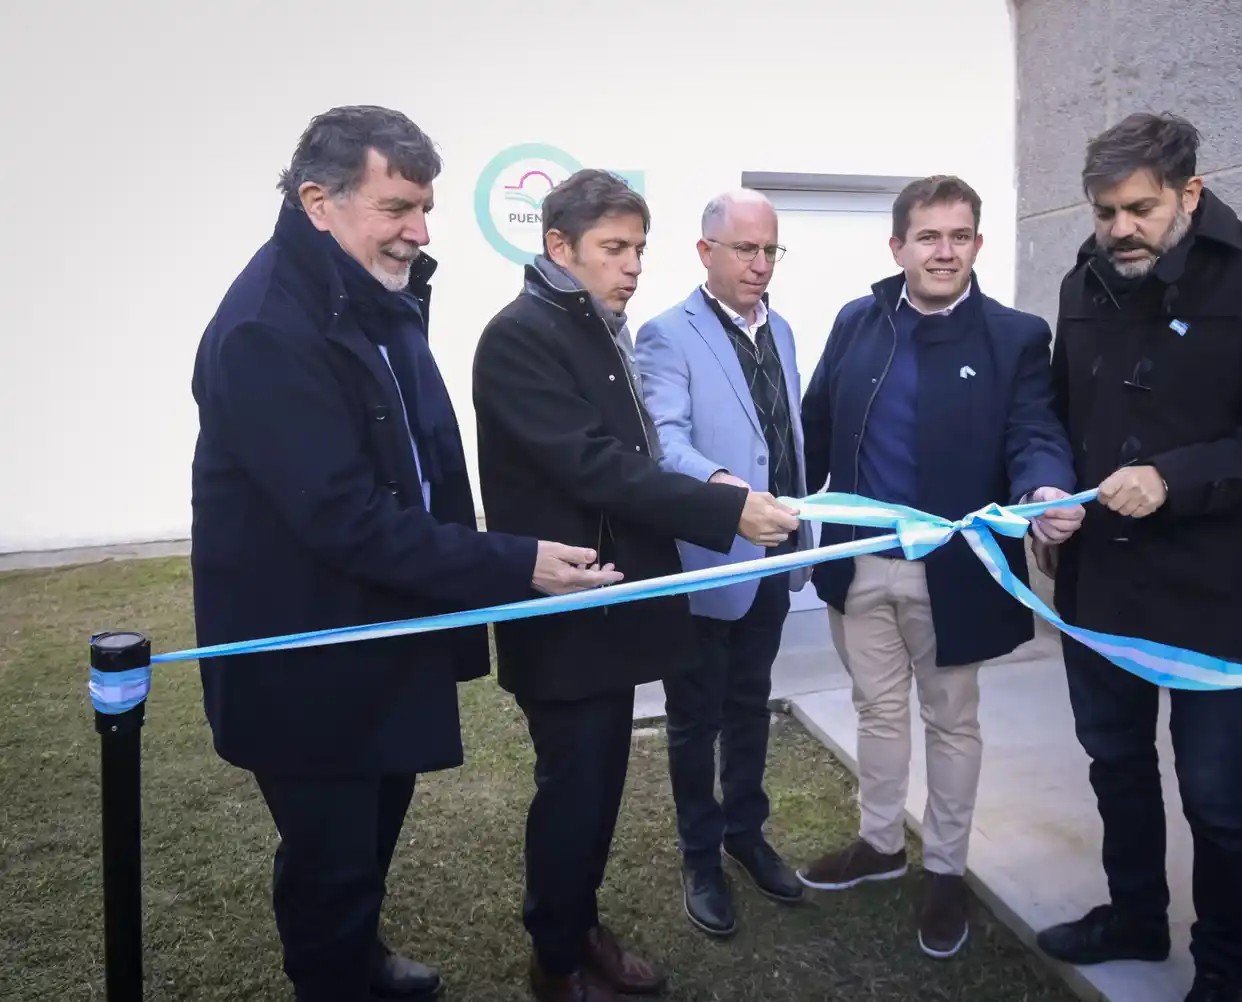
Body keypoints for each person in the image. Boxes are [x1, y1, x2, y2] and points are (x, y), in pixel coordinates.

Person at [189, 106, 621, 1002]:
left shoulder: (368, 291)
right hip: (311, 652)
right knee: (331, 857)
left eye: (424, 208)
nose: (419, 232)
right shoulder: (269, 328)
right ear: (318, 200)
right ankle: (336, 976)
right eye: (396, 209)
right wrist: (512, 564)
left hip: (379, 630)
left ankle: (360, 960)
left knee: (370, 832)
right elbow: (343, 518)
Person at [471, 169, 801, 1002]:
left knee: (600, 788)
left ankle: (582, 930)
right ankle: (556, 959)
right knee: (573, 793)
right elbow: (597, 468)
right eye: (614, 249)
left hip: (613, 607)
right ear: (558, 246)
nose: (632, 268)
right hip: (565, 611)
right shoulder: (521, 337)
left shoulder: (595, 328)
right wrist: (725, 508)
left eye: (637, 249)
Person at [1032, 112, 1242, 1002]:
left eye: (1139, 208)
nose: (1120, 228)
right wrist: (1049, 490)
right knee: (1114, 765)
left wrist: (1172, 476)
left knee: (1217, 793)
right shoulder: (1081, 282)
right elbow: (1056, 414)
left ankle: (1224, 966)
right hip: (1097, 587)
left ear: (1189, 193)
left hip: (1214, 596)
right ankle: (1135, 916)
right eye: (1102, 211)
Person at [795, 175, 1082, 959]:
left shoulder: (1014, 336)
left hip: (950, 573)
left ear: (978, 245)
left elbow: (1033, 431)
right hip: (860, 567)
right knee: (877, 713)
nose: (944, 251)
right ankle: (881, 844)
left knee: (951, 722)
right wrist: (771, 500)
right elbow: (816, 424)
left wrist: (1044, 485)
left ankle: (947, 869)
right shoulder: (859, 322)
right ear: (899, 246)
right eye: (928, 236)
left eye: (960, 236)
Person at [633, 188, 811, 938]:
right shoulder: (667, 335)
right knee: (693, 718)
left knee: (750, 706)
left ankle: (746, 832)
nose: (761, 265)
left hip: (772, 560)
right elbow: (664, 441)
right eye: (746, 249)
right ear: (707, 252)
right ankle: (700, 856)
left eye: (770, 250)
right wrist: (725, 493)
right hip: (708, 559)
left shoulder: (786, 331)